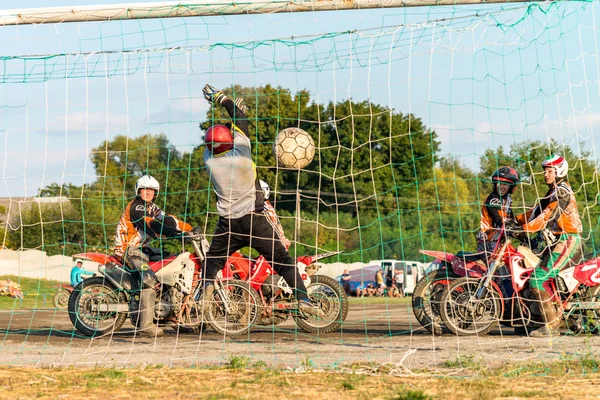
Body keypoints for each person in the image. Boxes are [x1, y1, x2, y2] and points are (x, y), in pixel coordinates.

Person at [199, 84, 319, 316]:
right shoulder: (241, 152)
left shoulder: (209, 159)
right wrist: (222, 99)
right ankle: (303, 298)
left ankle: (205, 288)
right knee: (283, 260)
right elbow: (239, 120)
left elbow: (220, 137)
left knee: (212, 262)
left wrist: (231, 120)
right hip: (254, 221)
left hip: (228, 224)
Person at [114, 174, 192, 337]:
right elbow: (152, 225)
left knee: (174, 262)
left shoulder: (153, 208)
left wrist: (189, 229)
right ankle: (145, 325)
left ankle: (172, 313)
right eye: (144, 189)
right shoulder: (136, 207)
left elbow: (169, 219)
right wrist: (174, 233)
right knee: (148, 279)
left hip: (144, 250)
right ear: (138, 190)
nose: (148, 192)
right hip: (128, 249)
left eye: (151, 190)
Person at [514, 155, 583, 337]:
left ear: (559, 171)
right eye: (545, 170)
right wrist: (513, 220)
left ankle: (551, 326)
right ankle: (536, 321)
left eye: (549, 171)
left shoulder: (562, 192)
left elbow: (547, 216)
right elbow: (535, 211)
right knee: (531, 277)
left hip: (566, 240)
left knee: (537, 279)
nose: (545, 174)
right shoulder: (552, 191)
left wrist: (523, 228)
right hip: (556, 240)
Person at [476, 166, 521, 258]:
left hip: (500, 241)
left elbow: (511, 218)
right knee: (500, 270)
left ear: (511, 186)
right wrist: (514, 228)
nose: (501, 186)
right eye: (499, 183)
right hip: (488, 241)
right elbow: (499, 220)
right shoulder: (493, 199)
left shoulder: (508, 199)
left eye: (505, 184)